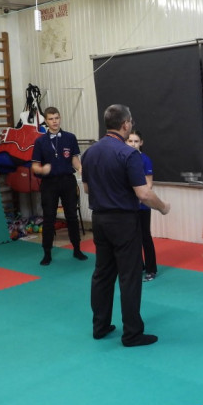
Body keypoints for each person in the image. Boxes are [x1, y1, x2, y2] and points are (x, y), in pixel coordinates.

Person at [81, 105, 171, 347]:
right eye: (130, 122)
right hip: (123, 221)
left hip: (99, 220)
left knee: (102, 274)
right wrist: (163, 207)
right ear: (125, 124)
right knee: (129, 277)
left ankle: (100, 326)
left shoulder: (90, 153)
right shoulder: (128, 154)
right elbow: (143, 193)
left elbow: (87, 188)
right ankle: (132, 333)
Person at [31, 106, 87, 265]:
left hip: (67, 181)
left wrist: (81, 168)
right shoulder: (40, 141)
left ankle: (77, 249)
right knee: (49, 217)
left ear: (60, 118)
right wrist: (41, 169)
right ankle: (47, 253)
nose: (54, 121)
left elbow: (74, 159)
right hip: (49, 183)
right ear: (46, 121)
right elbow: (34, 166)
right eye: (51, 119)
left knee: (72, 216)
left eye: (57, 118)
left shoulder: (70, 137)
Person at [126, 130, 158, 281]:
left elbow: (149, 184)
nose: (133, 144)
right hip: (127, 206)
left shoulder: (145, 160)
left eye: (136, 141)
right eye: (130, 141)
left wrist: (140, 197)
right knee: (132, 238)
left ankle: (151, 269)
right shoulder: (122, 158)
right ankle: (139, 266)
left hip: (142, 205)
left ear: (141, 143)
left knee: (145, 236)